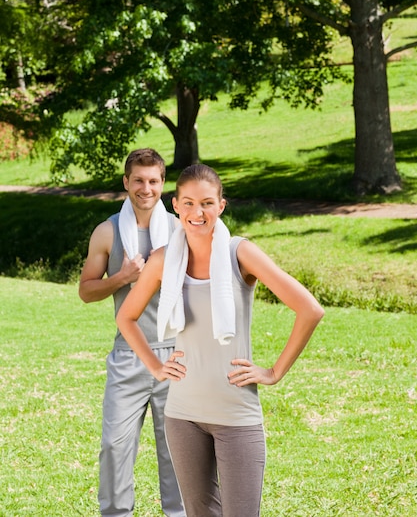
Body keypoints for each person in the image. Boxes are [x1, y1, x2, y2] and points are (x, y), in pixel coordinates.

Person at [116, 163, 325, 517]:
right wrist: (155, 365)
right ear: (176, 205)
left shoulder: (239, 253)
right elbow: (126, 317)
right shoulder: (164, 260)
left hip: (236, 414)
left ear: (221, 206)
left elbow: (310, 309)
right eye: (189, 203)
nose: (198, 212)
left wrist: (273, 372)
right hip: (183, 415)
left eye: (208, 203)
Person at [79, 148, 184, 517]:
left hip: (176, 355)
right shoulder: (107, 232)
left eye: (153, 180)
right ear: (126, 182)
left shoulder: (178, 230)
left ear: (162, 183)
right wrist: (123, 277)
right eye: (138, 180)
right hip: (129, 355)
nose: (145, 188)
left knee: (178, 453)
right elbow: (86, 290)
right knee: (114, 447)